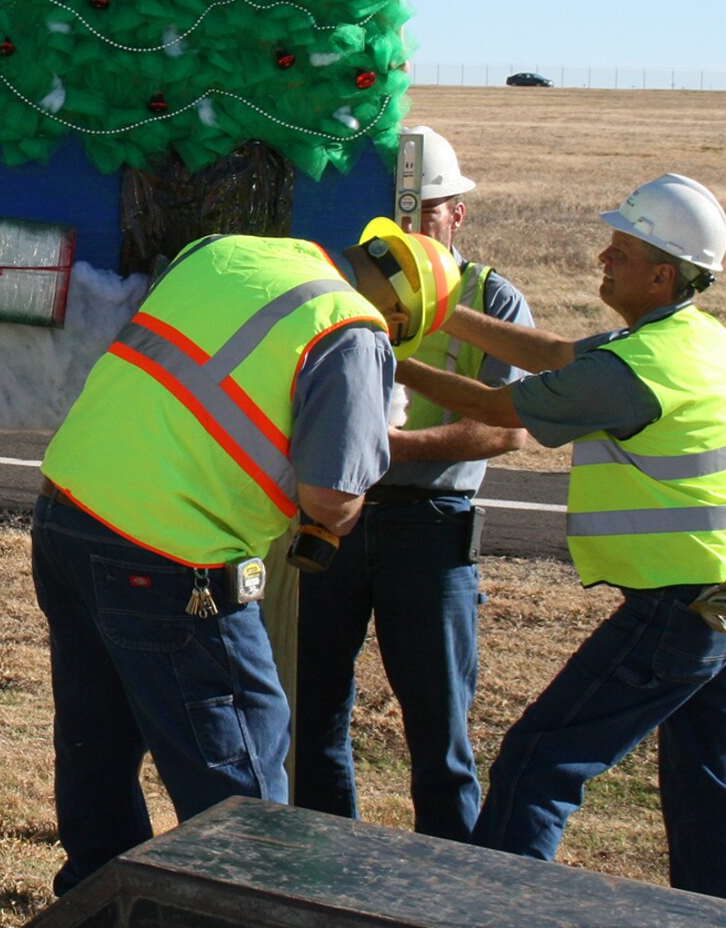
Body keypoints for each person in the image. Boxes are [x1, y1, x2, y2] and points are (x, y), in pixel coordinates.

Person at [31, 217, 461, 895]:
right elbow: (329, 499)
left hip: (67, 509)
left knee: (98, 738)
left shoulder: (229, 251)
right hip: (171, 557)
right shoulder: (350, 329)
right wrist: (370, 442)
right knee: (239, 760)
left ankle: (93, 895)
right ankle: (253, 904)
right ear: (401, 316)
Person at [396, 173, 726, 904]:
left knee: (541, 760)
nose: (602, 256)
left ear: (663, 272)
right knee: (711, 796)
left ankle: (487, 912)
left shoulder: (640, 366)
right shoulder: (690, 336)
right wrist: (445, 311)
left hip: (681, 612)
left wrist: (379, 346)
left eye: (621, 250)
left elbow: (492, 402)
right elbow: (560, 354)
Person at [295, 126, 533, 841]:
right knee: (313, 715)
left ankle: (448, 883)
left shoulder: (493, 301)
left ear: (457, 213)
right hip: (335, 521)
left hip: (431, 528)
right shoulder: (350, 289)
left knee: (439, 732)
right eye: (397, 216)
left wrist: (389, 449)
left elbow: (507, 427)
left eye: (426, 213)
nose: (409, 231)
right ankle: (324, 865)